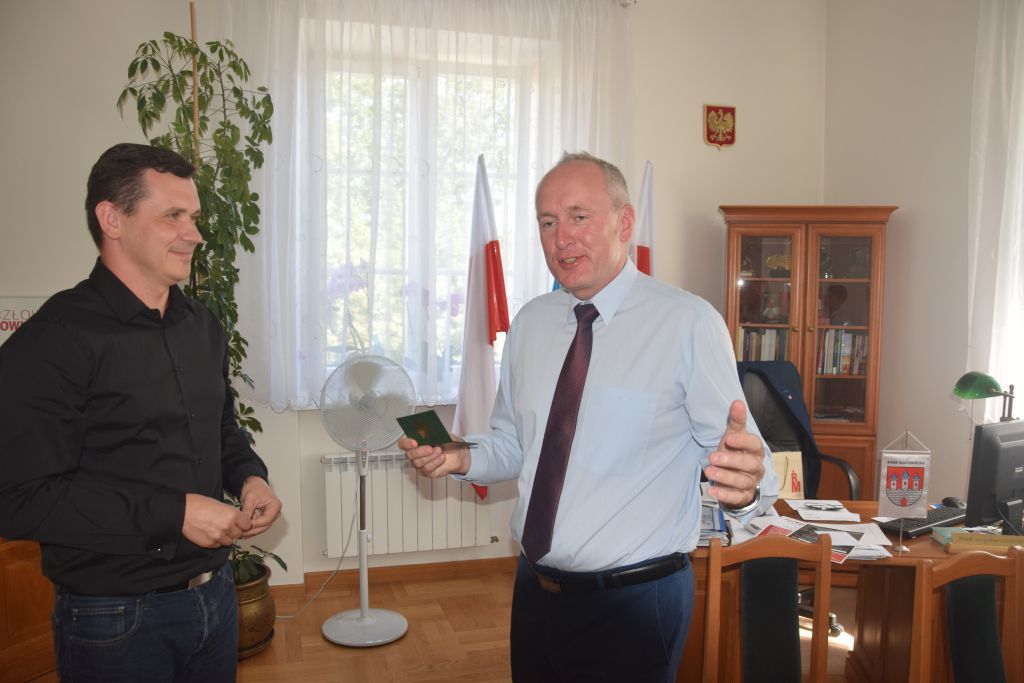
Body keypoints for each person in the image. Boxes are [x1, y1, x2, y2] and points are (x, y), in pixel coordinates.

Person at [400, 152, 778, 681]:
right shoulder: (530, 324)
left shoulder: (687, 324)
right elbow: (516, 444)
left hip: (634, 603)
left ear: (625, 223)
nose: (561, 238)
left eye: (579, 217)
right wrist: (459, 457)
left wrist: (746, 486)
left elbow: (753, 468)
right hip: (535, 592)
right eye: (547, 222)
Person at [0, 143, 282, 682]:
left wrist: (250, 477)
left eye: (194, 217)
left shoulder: (203, 326)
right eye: (173, 216)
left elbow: (221, 427)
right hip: (113, 617)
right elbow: (18, 500)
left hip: (215, 598)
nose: (194, 234)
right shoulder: (55, 340)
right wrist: (174, 514)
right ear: (112, 219)